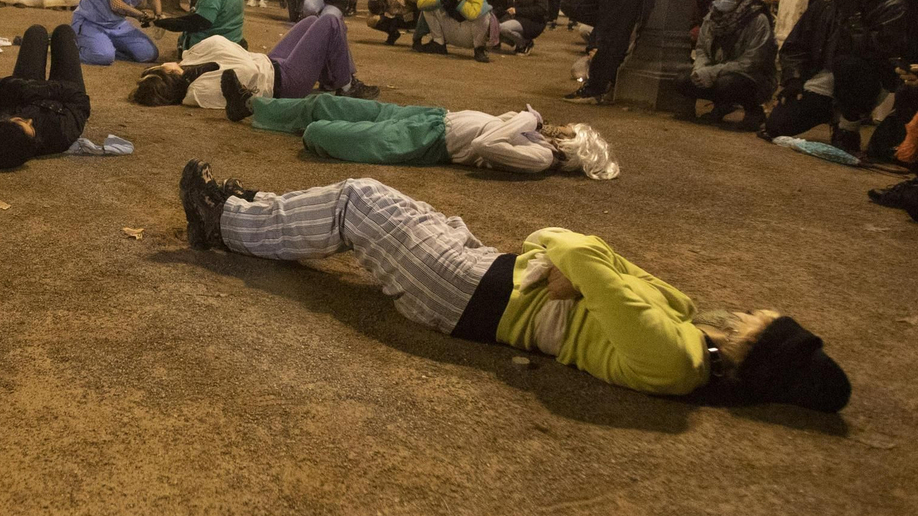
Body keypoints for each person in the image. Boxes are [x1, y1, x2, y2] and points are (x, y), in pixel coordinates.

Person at [175, 165, 850, 411]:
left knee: (360, 201)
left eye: (765, 321)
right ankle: (257, 211)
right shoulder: (688, 323)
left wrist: (567, 260)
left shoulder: (676, 358)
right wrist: (579, 271)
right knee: (388, 210)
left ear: (761, 351)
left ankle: (223, 222)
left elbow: (574, 247)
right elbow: (599, 265)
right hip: (486, 276)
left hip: (469, 296)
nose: (755, 311)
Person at [223, 95, 619, 178]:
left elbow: (485, 144)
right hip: (431, 116)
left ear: (573, 146)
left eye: (568, 130)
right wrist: (523, 122)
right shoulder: (535, 138)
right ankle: (254, 107)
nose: (560, 127)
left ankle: (291, 126)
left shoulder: (541, 159)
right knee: (327, 102)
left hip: (427, 143)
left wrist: (526, 121)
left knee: (321, 132)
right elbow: (494, 125)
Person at [762, 0, 906, 154]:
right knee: (777, 125)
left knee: (847, 65)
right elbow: (796, 45)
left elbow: (877, 51)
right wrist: (794, 79)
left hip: (866, 80)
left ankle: (848, 126)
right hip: (824, 78)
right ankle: (830, 112)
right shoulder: (826, 3)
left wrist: (853, 14)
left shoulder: (891, 6)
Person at [130, 12, 378, 109]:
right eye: (160, 68)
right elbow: (245, 72)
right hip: (284, 82)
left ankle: (333, 79)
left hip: (270, 62)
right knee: (331, 21)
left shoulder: (189, 65)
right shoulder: (197, 91)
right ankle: (346, 85)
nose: (162, 63)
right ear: (170, 75)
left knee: (312, 20)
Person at [0, 24, 92, 169]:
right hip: (62, 94)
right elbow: (79, 99)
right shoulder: (61, 135)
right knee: (64, 33)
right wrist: (42, 89)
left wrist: (20, 86)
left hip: (25, 88)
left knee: (35, 32)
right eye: (32, 129)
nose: (30, 120)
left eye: (21, 121)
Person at [677, 0, 776, 129]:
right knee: (683, 79)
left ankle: (753, 112)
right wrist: (700, 69)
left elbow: (752, 61)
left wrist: (713, 72)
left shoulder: (757, 19)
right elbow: (702, 49)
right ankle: (721, 106)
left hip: (752, 77)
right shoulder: (711, 18)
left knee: (727, 83)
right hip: (717, 71)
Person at [416, 0, 493, 62]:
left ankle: (479, 49)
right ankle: (438, 44)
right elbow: (421, 2)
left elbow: (473, 14)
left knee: (484, 14)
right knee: (430, 5)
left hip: (469, 35)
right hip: (450, 31)